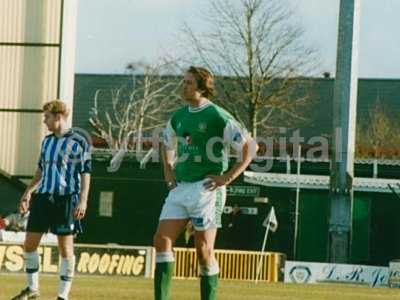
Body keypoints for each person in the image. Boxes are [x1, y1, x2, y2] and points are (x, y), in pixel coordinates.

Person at [153, 66, 258, 300]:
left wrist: (227, 177)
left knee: (203, 252)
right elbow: (166, 143)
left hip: (207, 190)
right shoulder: (178, 116)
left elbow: (251, 147)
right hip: (180, 187)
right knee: (161, 240)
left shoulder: (218, 116)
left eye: (189, 82)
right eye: (184, 81)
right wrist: (168, 172)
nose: (184, 86)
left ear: (202, 88)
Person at [11, 100, 91, 300]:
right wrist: (28, 191)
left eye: (47, 116)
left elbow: (85, 172)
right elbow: (41, 170)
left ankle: (63, 296)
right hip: (43, 198)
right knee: (29, 244)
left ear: (58, 117)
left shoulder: (78, 141)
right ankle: (32, 289)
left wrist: (83, 200)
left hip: (66, 199)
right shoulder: (47, 141)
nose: (44, 120)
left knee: (65, 248)